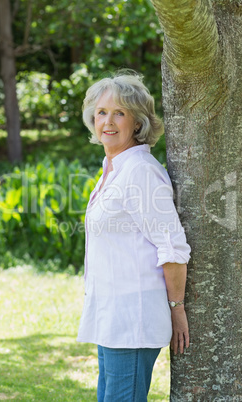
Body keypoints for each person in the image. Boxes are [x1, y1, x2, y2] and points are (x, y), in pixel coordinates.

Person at [77, 71, 191, 402]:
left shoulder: (141, 171)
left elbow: (172, 248)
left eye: (119, 112)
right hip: (111, 319)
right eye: (101, 112)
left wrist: (177, 308)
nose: (108, 121)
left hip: (133, 322)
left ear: (137, 122)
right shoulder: (114, 168)